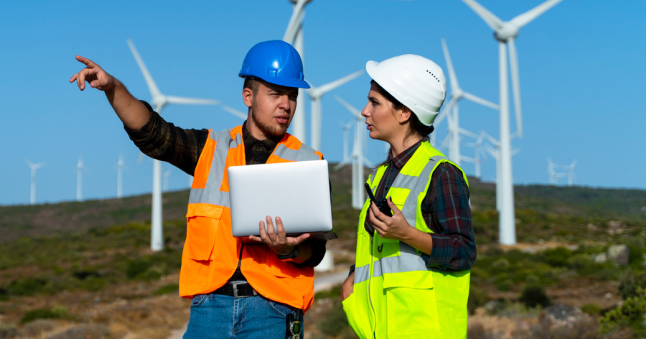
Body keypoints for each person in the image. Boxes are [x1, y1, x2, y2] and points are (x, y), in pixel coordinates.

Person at [70, 40, 328, 338]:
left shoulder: (309, 162)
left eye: (292, 95)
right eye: (275, 94)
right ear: (248, 96)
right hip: (210, 309)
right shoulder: (210, 148)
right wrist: (113, 89)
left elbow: (317, 250)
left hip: (274, 312)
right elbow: (153, 134)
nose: (286, 104)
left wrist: (290, 249)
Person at [340, 54, 476, 339]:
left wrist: (407, 233)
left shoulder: (441, 174)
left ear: (404, 112)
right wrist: (351, 280)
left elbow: (463, 251)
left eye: (374, 102)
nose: (364, 111)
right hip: (378, 329)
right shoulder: (379, 177)